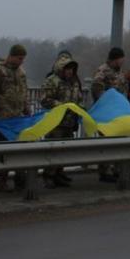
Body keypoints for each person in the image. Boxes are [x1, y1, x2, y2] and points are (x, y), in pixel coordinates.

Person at [0, 44, 31, 192]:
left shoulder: (21, 73)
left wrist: (26, 109)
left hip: (17, 120)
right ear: (11, 56)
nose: (21, 61)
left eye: (23, 58)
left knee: (19, 152)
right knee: (1, 152)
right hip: (1, 119)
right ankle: (0, 181)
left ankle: (20, 181)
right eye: (19, 58)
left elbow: (23, 93)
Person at [40, 54, 83, 188]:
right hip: (55, 123)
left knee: (64, 151)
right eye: (67, 69)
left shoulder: (74, 82)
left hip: (70, 122)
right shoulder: (51, 81)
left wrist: (80, 108)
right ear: (61, 68)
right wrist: (61, 105)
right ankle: (48, 176)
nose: (70, 71)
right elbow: (45, 100)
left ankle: (59, 174)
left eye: (72, 69)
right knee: (53, 150)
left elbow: (79, 98)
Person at [91, 47, 128, 183]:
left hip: (118, 113)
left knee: (117, 143)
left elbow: (123, 88)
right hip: (107, 113)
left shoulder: (120, 73)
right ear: (115, 59)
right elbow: (96, 87)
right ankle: (104, 171)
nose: (123, 61)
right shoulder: (103, 71)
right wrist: (106, 101)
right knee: (106, 143)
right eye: (121, 58)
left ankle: (116, 169)